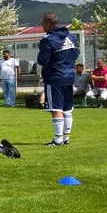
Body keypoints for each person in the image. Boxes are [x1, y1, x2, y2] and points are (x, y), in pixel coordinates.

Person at [37, 13, 80, 146]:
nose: (41, 25)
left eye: (42, 23)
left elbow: (42, 60)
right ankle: (66, 138)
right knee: (67, 109)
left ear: (48, 23)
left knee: (56, 108)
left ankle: (58, 140)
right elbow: (75, 55)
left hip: (54, 77)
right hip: (69, 76)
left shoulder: (48, 40)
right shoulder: (71, 36)